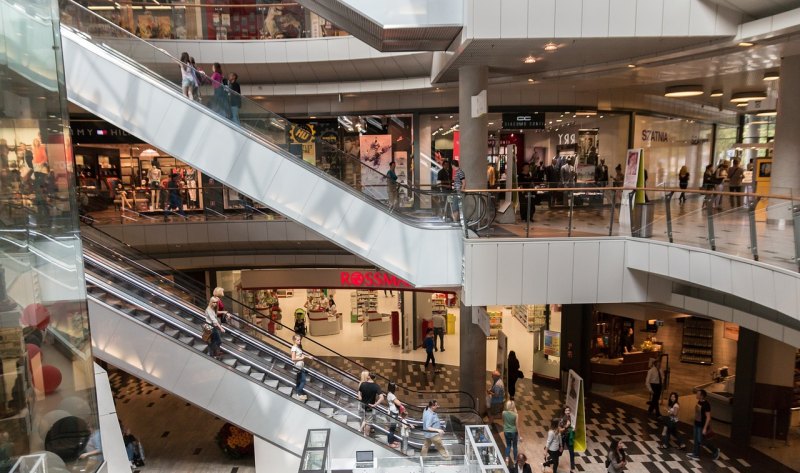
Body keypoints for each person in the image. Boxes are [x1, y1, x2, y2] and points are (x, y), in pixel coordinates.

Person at [688, 389, 720, 460]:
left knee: (702, 441)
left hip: (701, 426)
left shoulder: (706, 404)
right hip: (696, 423)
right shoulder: (699, 401)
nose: (696, 395)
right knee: (696, 439)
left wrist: (705, 428)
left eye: (698, 394)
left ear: (701, 396)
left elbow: (708, 418)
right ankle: (696, 454)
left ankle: (715, 450)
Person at [357, 371, 384, 436]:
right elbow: (382, 398)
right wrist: (375, 405)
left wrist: (360, 397)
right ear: (374, 378)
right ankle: (366, 435)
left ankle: (362, 430)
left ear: (368, 376)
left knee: (364, 419)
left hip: (362, 405)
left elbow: (359, 392)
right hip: (369, 407)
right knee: (368, 422)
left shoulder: (363, 384)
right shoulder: (376, 386)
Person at [291, 334, 313, 401]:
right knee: (303, 380)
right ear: (294, 340)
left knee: (299, 380)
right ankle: (299, 392)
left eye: (300, 339)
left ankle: (298, 394)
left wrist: (308, 356)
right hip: (298, 366)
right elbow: (293, 358)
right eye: (298, 340)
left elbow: (301, 354)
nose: (300, 341)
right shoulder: (294, 348)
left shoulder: (298, 347)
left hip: (301, 366)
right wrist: (301, 358)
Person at [502, 400, 520, 467]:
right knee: (515, 446)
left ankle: (507, 458)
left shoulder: (503, 413)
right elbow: (517, 426)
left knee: (508, 445)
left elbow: (503, 421)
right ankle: (515, 461)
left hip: (506, 431)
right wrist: (519, 436)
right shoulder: (516, 415)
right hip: (514, 432)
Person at [561, 407, 576, 472]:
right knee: (559, 453)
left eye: (569, 410)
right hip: (563, 437)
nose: (568, 411)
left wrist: (572, 429)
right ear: (564, 412)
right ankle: (548, 460)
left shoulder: (569, 417)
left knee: (572, 452)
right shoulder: (562, 419)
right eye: (566, 410)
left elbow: (569, 427)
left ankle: (572, 468)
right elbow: (560, 429)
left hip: (569, 437)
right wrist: (567, 426)